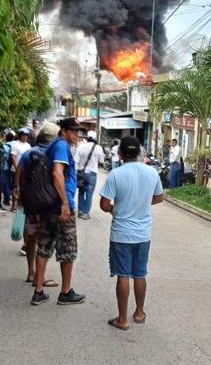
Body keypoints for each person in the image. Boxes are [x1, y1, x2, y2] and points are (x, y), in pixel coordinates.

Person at [99, 135, 163, 330]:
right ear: (139, 153)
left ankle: (122, 319)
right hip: (143, 234)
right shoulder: (151, 173)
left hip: (121, 233)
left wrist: (115, 209)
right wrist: (142, 205)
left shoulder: (116, 175)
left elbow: (103, 204)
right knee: (140, 274)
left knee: (123, 274)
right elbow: (159, 198)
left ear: (120, 153)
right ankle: (139, 312)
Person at [28, 117, 85, 306]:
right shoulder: (61, 146)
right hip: (59, 205)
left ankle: (39, 292)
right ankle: (66, 292)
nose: (78, 135)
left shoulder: (54, 145)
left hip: (48, 205)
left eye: (79, 131)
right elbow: (57, 173)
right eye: (75, 131)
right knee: (68, 249)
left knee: (44, 246)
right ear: (64, 131)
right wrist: (65, 204)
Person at [16, 122, 60, 289]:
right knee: (45, 239)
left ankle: (31, 272)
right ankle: (41, 277)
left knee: (32, 237)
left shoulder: (28, 153)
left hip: (31, 202)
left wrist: (19, 193)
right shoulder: (53, 154)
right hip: (47, 203)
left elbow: (19, 173)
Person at [75, 130, 104, 219]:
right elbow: (101, 161)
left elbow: (76, 161)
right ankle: (85, 213)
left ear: (87, 138)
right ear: (95, 138)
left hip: (81, 173)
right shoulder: (99, 148)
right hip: (92, 173)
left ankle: (80, 211)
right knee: (89, 194)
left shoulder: (80, 147)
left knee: (81, 192)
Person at [9, 129, 31, 211]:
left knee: (23, 187)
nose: (25, 137)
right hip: (16, 169)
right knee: (16, 186)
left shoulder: (28, 145)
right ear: (20, 135)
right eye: (23, 135)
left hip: (25, 170)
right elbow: (13, 156)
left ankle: (20, 204)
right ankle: (14, 205)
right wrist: (16, 167)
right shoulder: (15, 144)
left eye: (26, 135)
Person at [0, 131, 14, 207]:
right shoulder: (14, 145)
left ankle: (7, 199)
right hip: (11, 167)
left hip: (4, 166)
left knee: (5, 184)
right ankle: (9, 199)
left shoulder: (5, 146)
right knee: (9, 183)